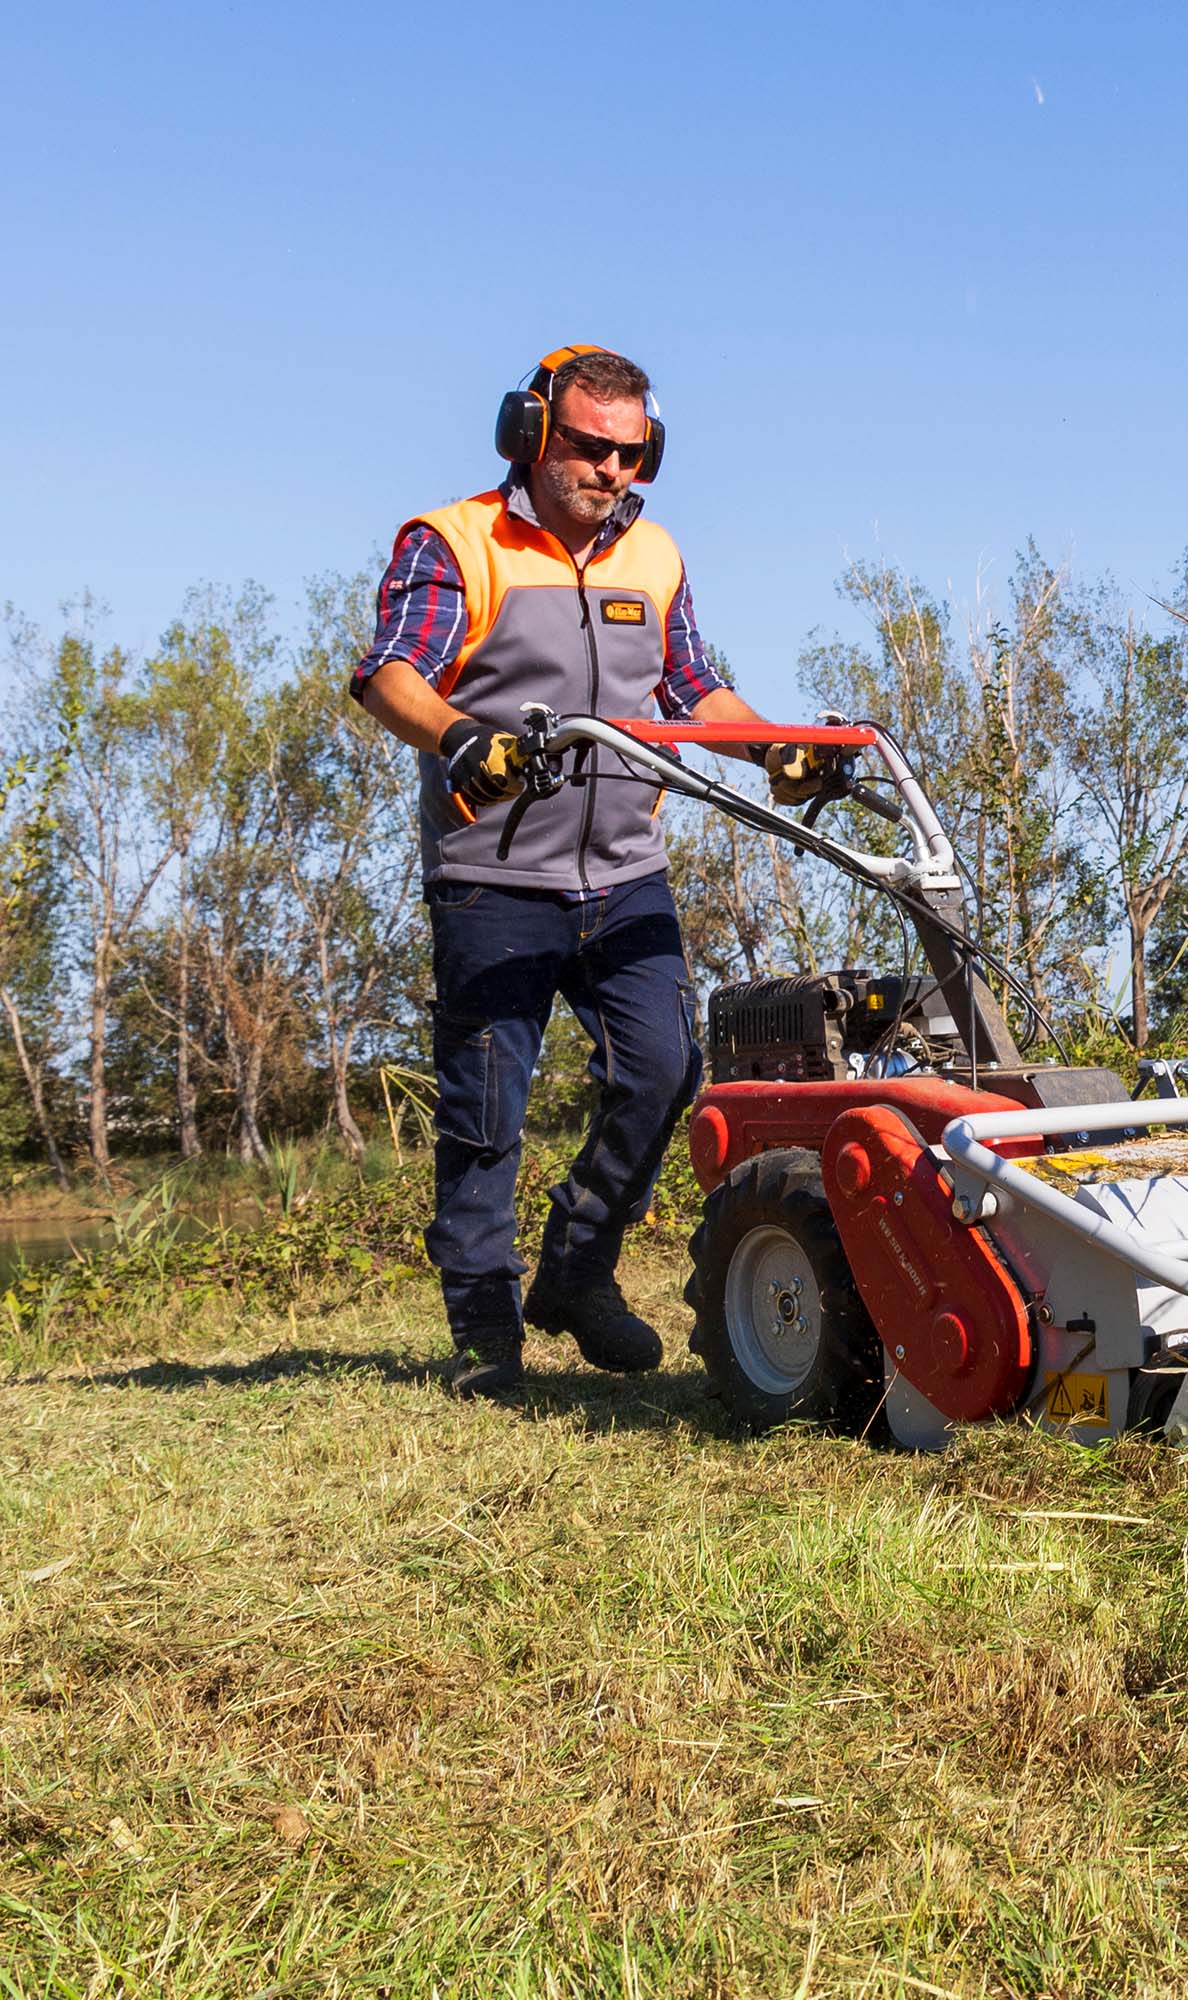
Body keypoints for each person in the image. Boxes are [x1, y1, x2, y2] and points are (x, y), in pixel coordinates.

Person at [352, 345, 830, 1397]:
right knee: (487, 1111)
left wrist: (778, 749)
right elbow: (391, 674)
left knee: (664, 1070)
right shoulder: (455, 542)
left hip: (624, 871)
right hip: (492, 873)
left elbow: (694, 685)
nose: (613, 472)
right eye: (589, 448)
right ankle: (487, 1338)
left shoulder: (653, 556)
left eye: (633, 454)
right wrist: (460, 740)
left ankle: (575, 1268)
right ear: (530, 435)